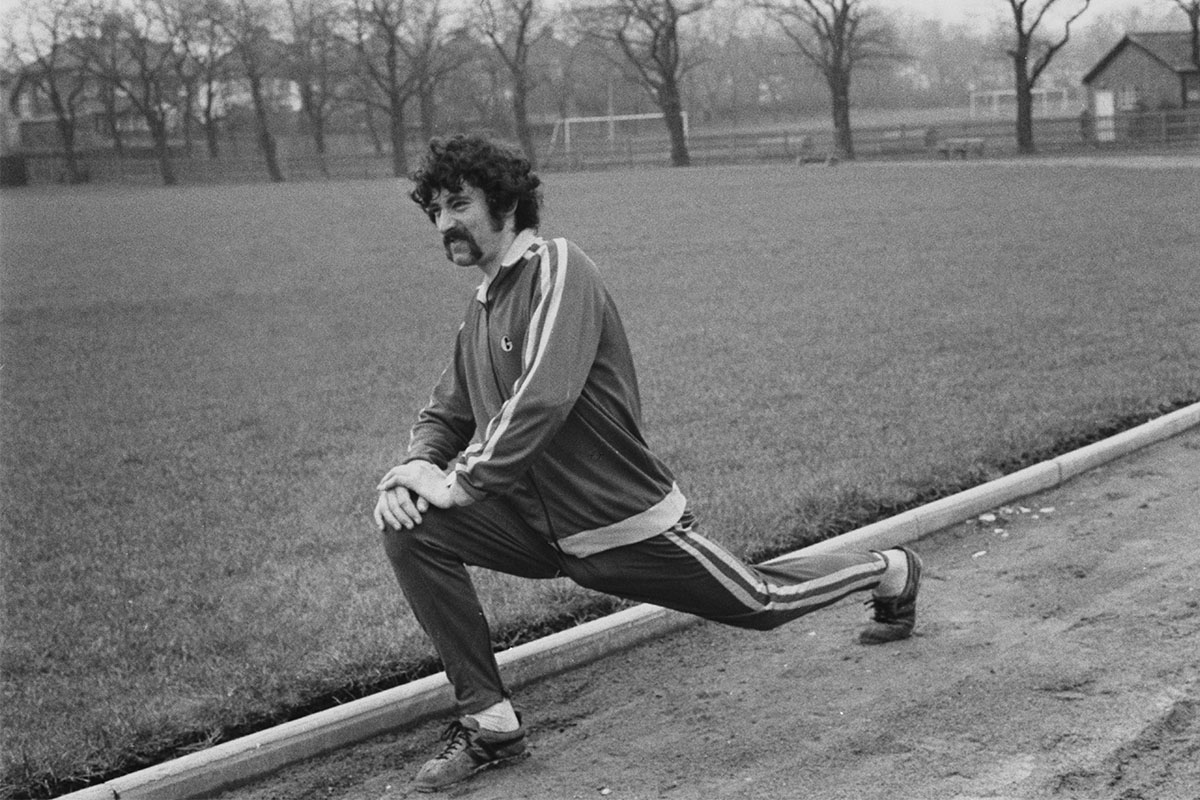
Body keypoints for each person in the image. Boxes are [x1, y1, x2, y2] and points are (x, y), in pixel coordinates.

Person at [373, 134, 924, 793]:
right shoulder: (481, 310)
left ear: (509, 204)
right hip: (532, 526)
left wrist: (457, 483)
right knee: (409, 528)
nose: (445, 223)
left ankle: (890, 570)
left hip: (621, 526)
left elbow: (543, 396)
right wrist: (410, 472)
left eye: (459, 203)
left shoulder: (559, 269)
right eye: (434, 209)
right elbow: (445, 410)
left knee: (764, 600)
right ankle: (490, 724)